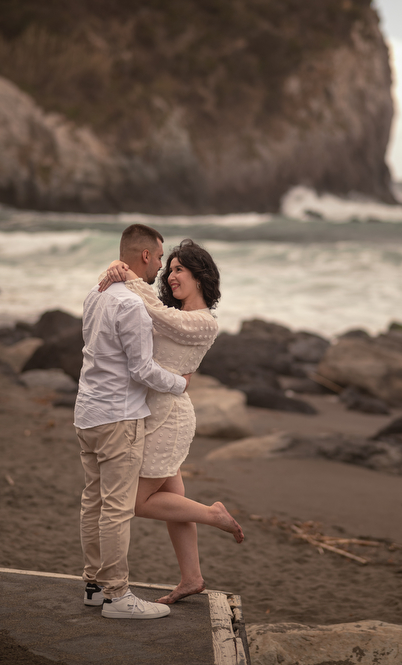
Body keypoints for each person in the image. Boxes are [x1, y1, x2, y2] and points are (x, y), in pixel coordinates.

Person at [98, 238, 244, 605]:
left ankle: (213, 514)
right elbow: (141, 308)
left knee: (137, 502)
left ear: (200, 275)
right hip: (155, 414)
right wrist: (116, 272)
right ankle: (192, 578)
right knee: (174, 503)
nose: (171, 275)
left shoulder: (203, 322)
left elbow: (159, 317)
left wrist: (129, 276)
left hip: (169, 418)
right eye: (170, 268)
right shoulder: (165, 308)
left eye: (180, 269)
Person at [74, 223, 191, 620]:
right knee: (117, 509)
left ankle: (94, 585)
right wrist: (179, 383)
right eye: (160, 257)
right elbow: (142, 369)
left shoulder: (96, 293)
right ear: (145, 255)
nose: (161, 265)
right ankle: (118, 596)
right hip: (119, 417)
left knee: (93, 501)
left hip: (87, 413)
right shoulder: (131, 305)